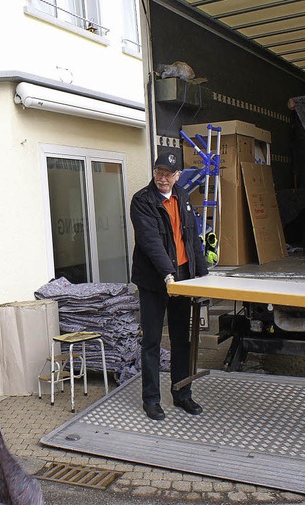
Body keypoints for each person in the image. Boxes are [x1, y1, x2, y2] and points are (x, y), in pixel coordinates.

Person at [130, 152, 208, 421]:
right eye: (158, 172)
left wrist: (203, 275)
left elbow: (192, 237)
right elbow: (150, 241)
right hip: (155, 280)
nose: (162, 178)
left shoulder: (182, 196)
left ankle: (182, 394)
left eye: (168, 174)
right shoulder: (142, 200)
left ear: (177, 176)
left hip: (183, 276)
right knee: (151, 340)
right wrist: (167, 273)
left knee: (181, 340)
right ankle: (151, 399)